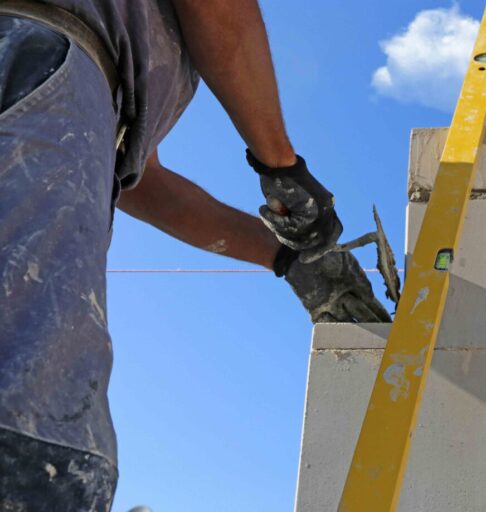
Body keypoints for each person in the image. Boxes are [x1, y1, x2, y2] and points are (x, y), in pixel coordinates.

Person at [0, 1, 389, 509]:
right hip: (35, 64)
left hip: (36, 73)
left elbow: (145, 185)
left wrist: (288, 258)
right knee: (32, 423)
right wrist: (281, 165)